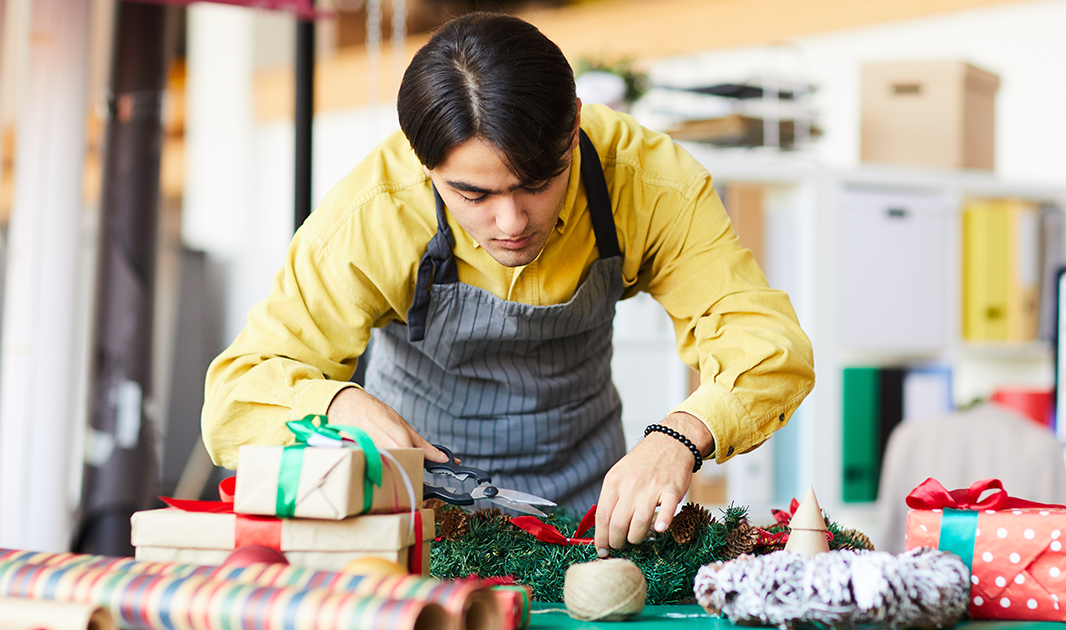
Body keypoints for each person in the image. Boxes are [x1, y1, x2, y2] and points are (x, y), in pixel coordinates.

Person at [201, 12, 814, 557]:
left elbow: (766, 342)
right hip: (414, 516)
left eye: (539, 183)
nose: (512, 222)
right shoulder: (373, 214)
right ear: (424, 161)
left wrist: (680, 437)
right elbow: (235, 396)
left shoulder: (651, 182)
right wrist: (336, 403)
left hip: (590, 514)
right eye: (473, 194)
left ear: (573, 127)